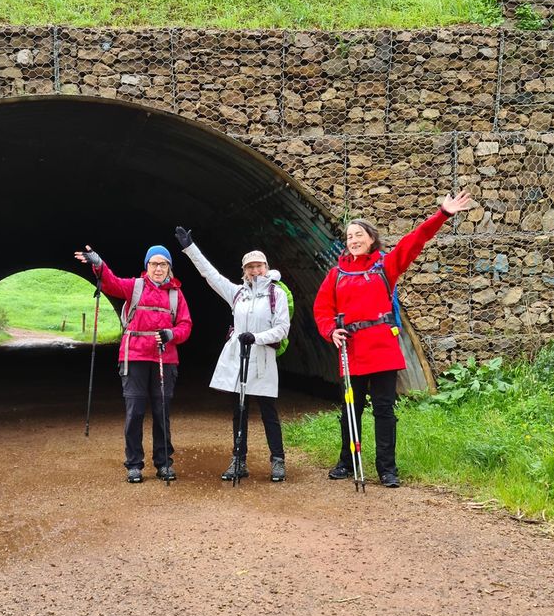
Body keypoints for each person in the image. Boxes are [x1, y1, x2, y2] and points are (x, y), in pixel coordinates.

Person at [313, 191, 474, 488]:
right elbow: (322, 309)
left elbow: (414, 241)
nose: (353, 240)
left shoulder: (385, 266)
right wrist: (330, 331)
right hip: (352, 349)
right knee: (352, 408)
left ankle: (387, 468)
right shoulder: (336, 274)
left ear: (372, 239)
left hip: (382, 349)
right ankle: (347, 462)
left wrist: (442, 215)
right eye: (349, 236)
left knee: (384, 408)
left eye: (359, 235)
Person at [175, 226, 290, 483]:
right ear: (244, 271)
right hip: (240, 360)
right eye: (250, 267)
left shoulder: (277, 294)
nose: (254, 270)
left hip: (262, 360)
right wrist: (189, 248)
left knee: (268, 411)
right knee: (239, 411)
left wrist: (257, 338)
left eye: (259, 266)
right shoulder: (237, 293)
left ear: (266, 267)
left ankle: (278, 460)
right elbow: (210, 275)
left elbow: (282, 329)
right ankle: (239, 460)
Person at [74, 243, 192, 483]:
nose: (158, 269)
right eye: (154, 264)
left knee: (162, 413)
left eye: (163, 264)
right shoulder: (135, 287)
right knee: (135, 411)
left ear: (170, 267)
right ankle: (134, 464)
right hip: (135, 357)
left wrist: (172, 334)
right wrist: (99, 264)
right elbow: (112, 283)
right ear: (146, 266)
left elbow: (185, 325)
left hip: (164, 359)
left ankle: (163, 463)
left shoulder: (176, 294)